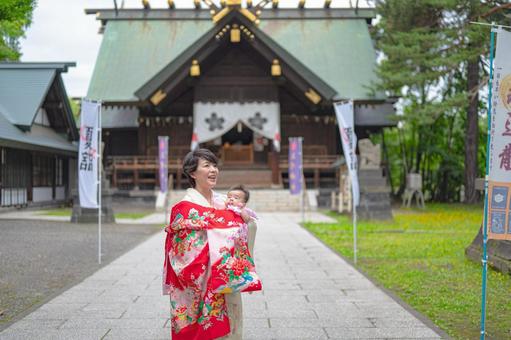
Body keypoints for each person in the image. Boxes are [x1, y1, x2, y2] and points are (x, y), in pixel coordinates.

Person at [163, 148, 257, 340]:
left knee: (232, 324)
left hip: (226, 277)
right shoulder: (185, 208)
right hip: (199, 281)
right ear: (192, 173)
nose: (213, 170)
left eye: (215, 165)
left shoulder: (226, 202)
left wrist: (247, 222)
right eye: (207, 166)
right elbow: (181, 251)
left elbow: (249, 225)